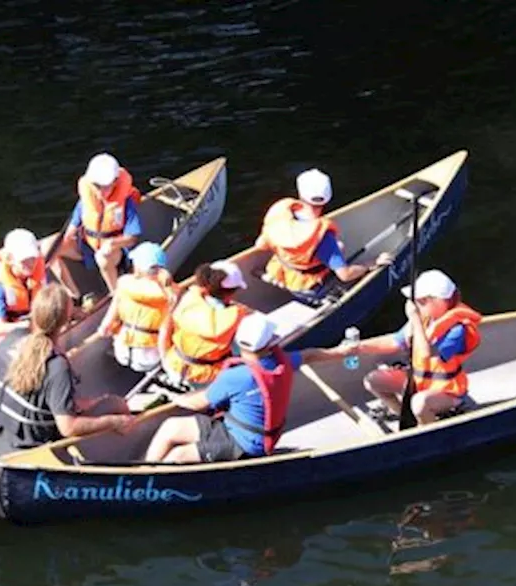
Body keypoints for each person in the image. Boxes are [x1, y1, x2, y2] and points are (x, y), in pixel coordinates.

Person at [143, 312, 353, 463]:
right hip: (235, 428)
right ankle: (148, 471)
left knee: (177, 456)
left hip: (244, 443)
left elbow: (200, 402)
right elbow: (309, 355)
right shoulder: (281, 363)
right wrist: (341, 352)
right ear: (269, 345)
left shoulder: (237, 376)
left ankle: (153, 483)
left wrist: (174, 397)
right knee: (171, 427)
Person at [0, 284, 136, 459]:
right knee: (116, 405)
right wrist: (115, 421)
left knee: (89, 403)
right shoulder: (57, 367)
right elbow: (68, 428)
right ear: (65, 320)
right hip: (29, 450)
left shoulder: (12, 338)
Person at [342, 269, 483, 427]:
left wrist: (414, 318)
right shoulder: (424, 320)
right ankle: (405, 415)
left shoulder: (457, 330)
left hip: (448, 389)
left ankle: (428, 431)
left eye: (421, 301)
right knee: (373, 380)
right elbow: (395, 341)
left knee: (419, 403)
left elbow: (428, 353)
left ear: (439, 301)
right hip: (420, 380)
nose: (416, 305)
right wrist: (359, 347)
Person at [253, 168, 391, 301]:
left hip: (284, 277)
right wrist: (372, 263)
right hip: (311, 291)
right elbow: (345, 275)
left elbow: (260, 245)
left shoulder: (280, 215)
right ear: (327, 198)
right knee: (342, 255)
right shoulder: (323, 237)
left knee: (338, 247)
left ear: (301, 194)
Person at [45, 153, 144, 296]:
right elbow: (72, 228)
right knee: (50, 246)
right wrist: (62, 242)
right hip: (87, 246)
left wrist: (112, 243)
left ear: (115, 182)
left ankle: (116, 296)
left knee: (102, 257)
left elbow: (132, 237)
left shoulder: (125, 202)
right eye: (96, 186)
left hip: (113, 253)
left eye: (105, 186)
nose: (100, 191)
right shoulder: (87, 198)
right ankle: (74, 296)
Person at [159, 259, 252, 390]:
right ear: (231, 292)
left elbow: (166, 328)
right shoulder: (236, 315)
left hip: (174, 363)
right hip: (206, 376)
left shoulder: (187, 299)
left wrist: (165, 359)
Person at [92, 242, 176, 372]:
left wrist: (103, 329)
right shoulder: (170, 295)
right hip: (148, 361)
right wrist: (166, 362)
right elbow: (164, 334)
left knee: (119, 326)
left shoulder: (124, 283)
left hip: (122, 353)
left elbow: (107, 323)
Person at [0, 228, 46, 341]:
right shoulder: (0, 286)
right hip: (15, 329)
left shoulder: (39, 275)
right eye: (24, 260)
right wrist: (26, 326)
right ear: (10, 259)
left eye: (32, 258)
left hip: (36, 322)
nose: (30, 264)